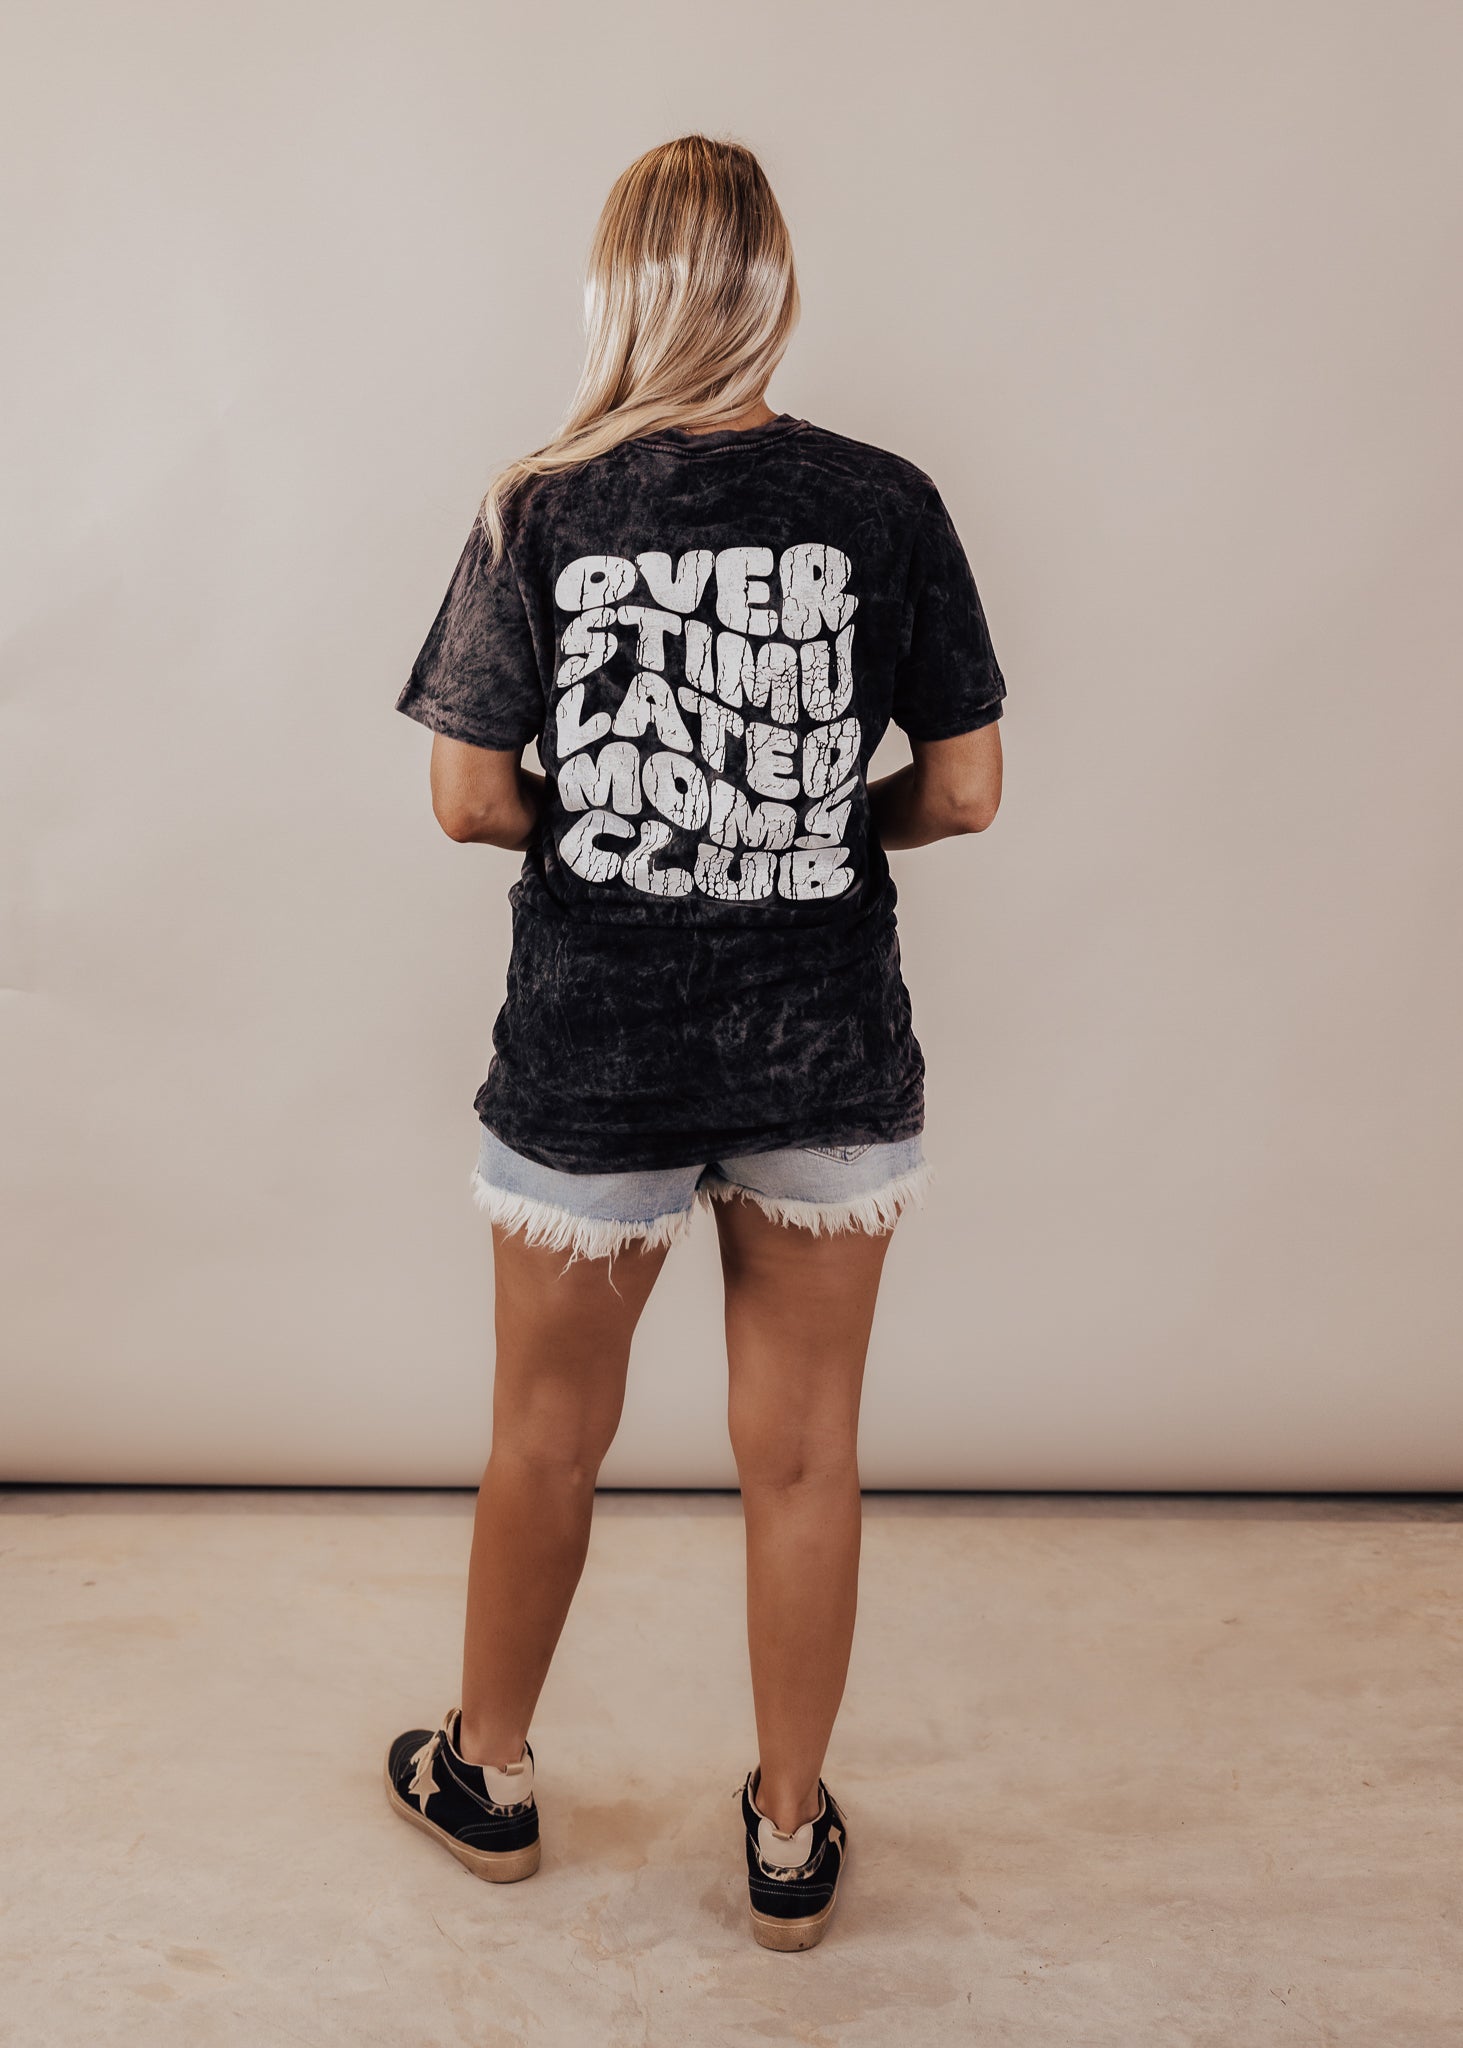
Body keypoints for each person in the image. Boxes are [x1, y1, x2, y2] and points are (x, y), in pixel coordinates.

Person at [384, 133, 1005, 1952]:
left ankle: (486, 1775)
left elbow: (465, 800)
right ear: (773, 289)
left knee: (545, 1440)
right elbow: (968, 789)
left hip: (597, 1049)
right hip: (825, 1046)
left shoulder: (536, 508)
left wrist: (626, 823)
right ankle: (790, 1834)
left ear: (621, 289)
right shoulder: (885, 502)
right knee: (804, 1453)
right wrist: (810, 831)